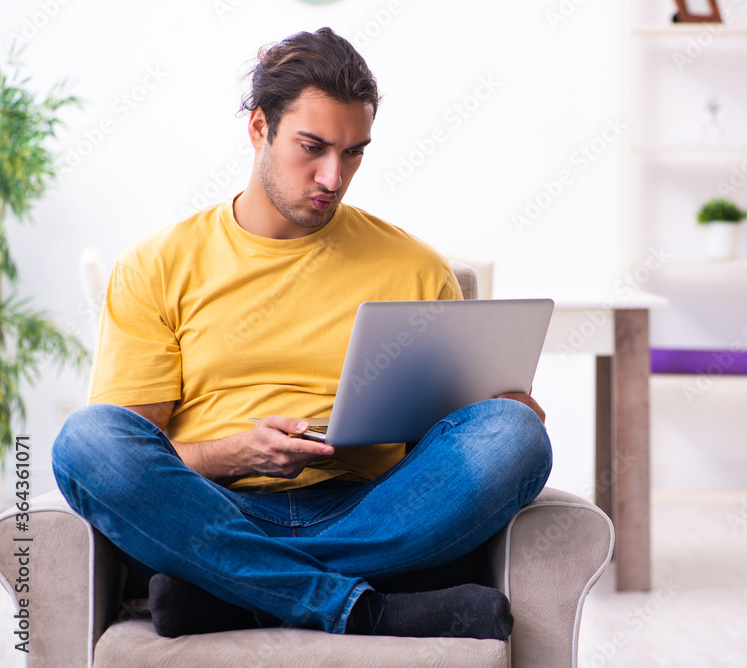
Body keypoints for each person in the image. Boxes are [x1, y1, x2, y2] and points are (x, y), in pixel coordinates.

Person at [51, 27, 551, 640]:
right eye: (312, 147)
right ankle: (364, 607)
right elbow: (135, 447)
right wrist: (238, 453)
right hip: (216, 510)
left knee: (514, 436)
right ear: (259, 126)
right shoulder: (156, 264)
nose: (333, 177)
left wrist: (495, 411)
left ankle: (237, 594)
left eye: (354, 152)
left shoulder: (416, 268)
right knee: (87, 441)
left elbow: (443, 446)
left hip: (370, 510)